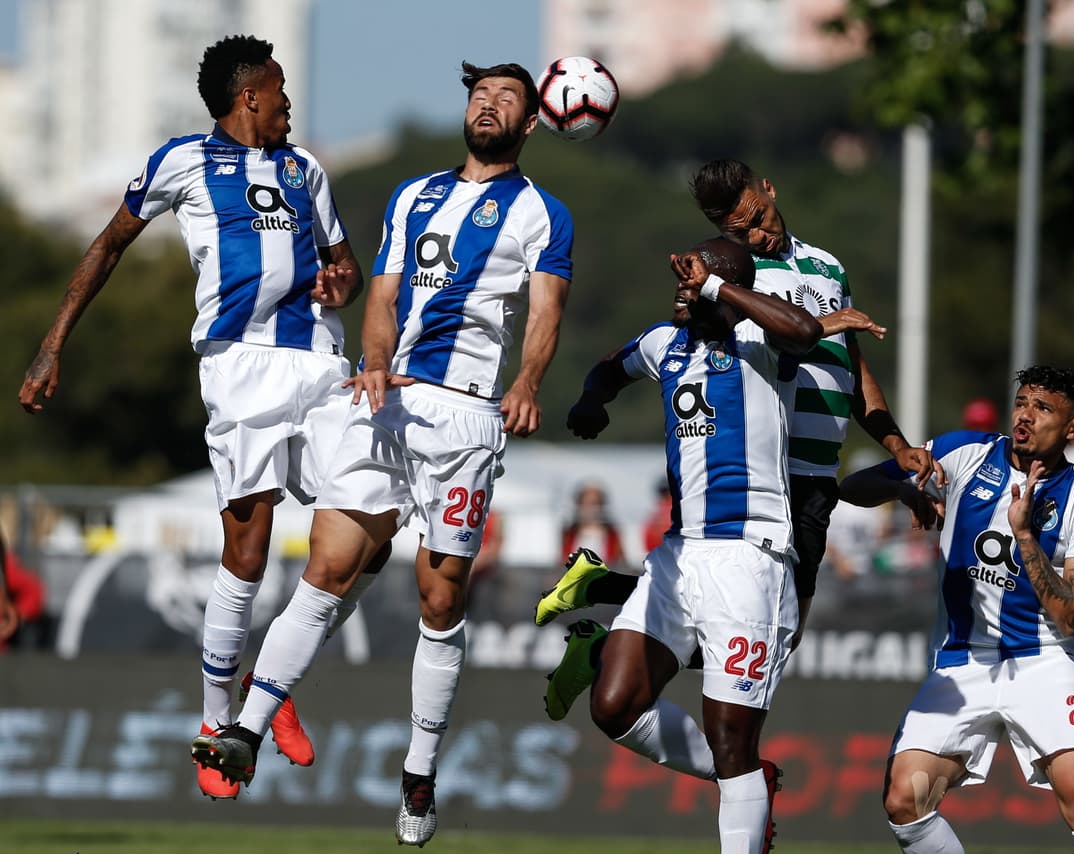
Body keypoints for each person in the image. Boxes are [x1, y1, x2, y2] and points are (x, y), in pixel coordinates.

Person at [189, 60, 573, 847]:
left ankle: (420, 774)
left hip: (465, 418)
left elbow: (545, 310)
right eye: (479, 95)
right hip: (387, 403)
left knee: (440, 600)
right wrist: (370, 360)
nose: (489, 106)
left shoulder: (542, 213)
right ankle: (247, 731)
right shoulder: (413, 195)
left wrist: (528, 379)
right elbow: (384, 297)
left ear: (531, 123)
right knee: (327, 565)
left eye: (507, 99)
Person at [15, 35, 386, 799]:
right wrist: (52, 344)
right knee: (246, 552)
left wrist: (341, 286)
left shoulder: (306, 169)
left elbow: (343, 266)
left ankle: (267, 689)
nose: (288, 103)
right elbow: (108, 246)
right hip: (239, 365)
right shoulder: (180, 162)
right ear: (249, 96)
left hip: (321, 363)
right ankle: (218, 723)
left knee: (372, 531)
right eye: (279, 90)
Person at [535, 158, 937, 648]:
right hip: (766, 469)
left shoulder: (828, 266)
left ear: (769, 189)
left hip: (818, 469)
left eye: (758, 218)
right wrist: (819, 322)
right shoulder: (732, 273)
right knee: (758, 631)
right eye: (738, 231)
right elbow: (706, 334)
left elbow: (852, 367)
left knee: (775, 635)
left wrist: (895, 444)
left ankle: (599, 594)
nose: (756, 236)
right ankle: (603, 627)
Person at [564, 235, 821, 853]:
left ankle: (742, 791)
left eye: (695, 278)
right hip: (678, 556)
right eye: (682, 278)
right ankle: (748, 782)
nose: (682, 286)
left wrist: (715, 286)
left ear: (726, 285)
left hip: (749, 558)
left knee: (732, 738)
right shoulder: (664, 345)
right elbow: (609, 367)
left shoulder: (760, 343)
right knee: (615, 704)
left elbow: (806, 331)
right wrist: (590, 402)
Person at [840, 365, 1074, 854]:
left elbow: (1073, 617)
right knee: (905, 801)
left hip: (1045, 661)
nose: (1026, 416)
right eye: (1022, 402)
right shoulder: (963, 452)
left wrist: (1025, 536)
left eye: (1044, 409)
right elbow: (852, 489)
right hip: (962, 662)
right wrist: (902, 487)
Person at [561, 481, 625, 566]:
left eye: (596, 503)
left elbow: (621, 564)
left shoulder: (612, 536)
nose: (592, 509)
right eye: (588, 503)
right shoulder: (569, 535)